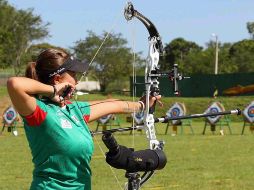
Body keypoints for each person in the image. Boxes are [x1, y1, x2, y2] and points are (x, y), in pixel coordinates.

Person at [7, 48, 160, 190]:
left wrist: (142, 104)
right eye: (73, 75)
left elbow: (114, 105)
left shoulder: (75, 110)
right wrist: (52, 90)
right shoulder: (39, 112)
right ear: (58, 79)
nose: (77, 81)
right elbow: (14, 84)